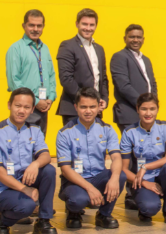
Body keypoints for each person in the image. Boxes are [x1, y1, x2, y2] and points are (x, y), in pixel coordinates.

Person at [0, 88, 57, 234]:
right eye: (18, 106)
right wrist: (24, 189)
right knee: (26, 206)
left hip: (24, 180)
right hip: (1, 189)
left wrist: (35, 164)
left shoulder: (34, 130)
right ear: (9, 105)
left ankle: (44, 221)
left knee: (49, 170)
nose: (22, 111)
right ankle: (2, 221)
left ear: (32, 109)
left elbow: (46, 155)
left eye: (27, 107)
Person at [56, 87, 125, 229]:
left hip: (98, 176)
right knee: (78, 200)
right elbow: (65, 169)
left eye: (92, 107)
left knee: (120, 176)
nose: (88, 111)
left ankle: (104, 214)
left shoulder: (107, 129)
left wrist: (114, 178)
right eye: (83, 107)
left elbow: (116, 158)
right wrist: (90, 188)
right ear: (76, 107)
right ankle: (73, 213)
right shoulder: (65, 133)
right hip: (75, 180)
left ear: (99, 107)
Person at [109, 24, 157, 209]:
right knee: (130, 157)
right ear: (125, 38)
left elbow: (152, 84)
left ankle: (142, 189)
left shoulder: (146, 59)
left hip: (145, 114)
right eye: (132, 37)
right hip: (129, 113)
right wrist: (143, 105)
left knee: (143, 154)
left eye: (138, 37)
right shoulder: (119, 57)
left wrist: (152, 105)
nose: (135, 40)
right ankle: (130, 195)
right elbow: (123, 85)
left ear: (143, 39)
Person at [119, 93, 166, 224]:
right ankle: (144, 205)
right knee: (149, 208)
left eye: (152, 109)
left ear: (157, 109)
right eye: (144, 109)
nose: (148, 113)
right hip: (141, 180)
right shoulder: (129, 132)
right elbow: (123, 169)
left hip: (161, 175)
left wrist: (146, 167)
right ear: (137, 109)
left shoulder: (165, 127)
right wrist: (145, 183)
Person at [5, 10, 58, 135]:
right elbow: (14, 81)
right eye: (31, 25)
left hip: (44, 107)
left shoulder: (45, 48)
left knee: (40, 142)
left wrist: (51, 97)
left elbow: (51, 75)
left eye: (39, 26)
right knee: (24, 142)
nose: (35, 29)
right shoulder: (16, 48)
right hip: (25, 108)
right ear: (24, 26)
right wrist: (35, 101)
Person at [57, 9, 109, 126]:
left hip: (95, 110)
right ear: (77, 24)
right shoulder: (68, 46)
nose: (88, 28)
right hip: (74, 109)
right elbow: (66, 79)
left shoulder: (99, 49)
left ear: (96, 26)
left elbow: (103, 78)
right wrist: (86, 101)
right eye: (84, 24)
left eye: (92, 25)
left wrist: (104, 100)